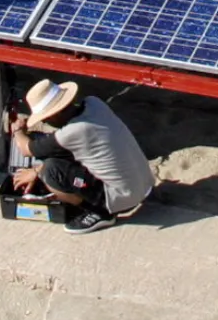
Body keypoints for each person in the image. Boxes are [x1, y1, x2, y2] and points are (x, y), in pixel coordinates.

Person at [10, 79, 153, 233]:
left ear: (55, 113)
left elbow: (26, 149)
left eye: (45, 118)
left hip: (123, 199)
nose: (44, 121)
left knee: (51, 171)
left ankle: (101, 213)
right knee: (55, 159)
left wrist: (18, 131)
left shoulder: (71, 133)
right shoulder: (95, 104)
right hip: (144, 185)